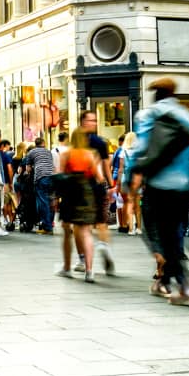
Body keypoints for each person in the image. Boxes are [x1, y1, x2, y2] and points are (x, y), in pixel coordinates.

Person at [131, 78, 189, 306]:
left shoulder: (147, 115)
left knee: (151, 232)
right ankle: (165, 280)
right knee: (174, 233)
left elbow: (141, 148)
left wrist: (130, 176)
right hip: (184, 187)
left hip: (158, 184)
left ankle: (185, 284)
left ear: (156, 94)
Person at [56, 130, 103, 282]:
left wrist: (56, 198)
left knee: (66, 229)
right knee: (86, 232)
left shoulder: (66, 154)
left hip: (70, 192)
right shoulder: (90, 155)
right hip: (86, 191)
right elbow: (99, 178)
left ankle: (67, 268)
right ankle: (89, 270)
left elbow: (60, 175)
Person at [78, 110, 115, 275]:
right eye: (91, 121)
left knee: (81, 225)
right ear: (84, 122)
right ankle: (103, 246)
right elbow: (106, 166)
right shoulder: (100, 142)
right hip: (98, 185)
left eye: (95, 120)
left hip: (81, 187)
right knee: (102, 222)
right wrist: (111, 185)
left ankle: (82, 260)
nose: (94, 123)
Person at [27, 137, 55, 234]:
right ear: (44, 143)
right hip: (52, 177)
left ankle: (47, 228)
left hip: (41, 178)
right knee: (51, 201)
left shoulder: (31, 152)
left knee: (43, 203)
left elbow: (28, 169)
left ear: (35, 144)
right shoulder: (48, 152)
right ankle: (50, 223)